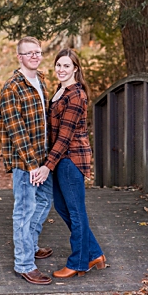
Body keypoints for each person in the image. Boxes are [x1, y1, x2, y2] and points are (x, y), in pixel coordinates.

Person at [32, 49, 106, 279]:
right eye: (58, 65)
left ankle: (78, 263)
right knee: (64, 209)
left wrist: (47, 166)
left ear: (76, 68)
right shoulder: (60, 90)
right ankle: (94, 253)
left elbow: (64, 136)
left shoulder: (76, 95)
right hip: (60, 158)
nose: (61, 70)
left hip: (71, 159)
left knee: (76, 211)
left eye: (66, 66)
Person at [0, 35, 53, 284]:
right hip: (25, 163)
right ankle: (24, 263)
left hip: (42, 159)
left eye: (38, 52)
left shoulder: (40, 79)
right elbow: (16, 131)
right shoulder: (12, 88)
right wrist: (33, 166)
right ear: (19, 57)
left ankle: (29, 245)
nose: (35, 56)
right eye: (29, 53)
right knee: (24, 210)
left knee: (45, 201)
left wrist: (46, 162)